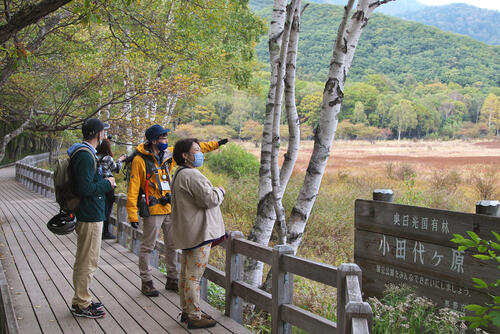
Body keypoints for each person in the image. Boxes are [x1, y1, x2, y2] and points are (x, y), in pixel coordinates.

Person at [126, 124, 228, 297]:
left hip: (168, 207)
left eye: (166, 137)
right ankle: (147, 281)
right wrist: (132, 214)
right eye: (162, 138)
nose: (166, 140)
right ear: (153, 140)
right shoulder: (139, 160)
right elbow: (133, 187)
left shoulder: (168, 155)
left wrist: (216, 144)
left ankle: (172, 278)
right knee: (148, 246)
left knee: (173, 244)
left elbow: (194, 149)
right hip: (152, 208)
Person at [170, 138, 226, 329]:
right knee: (194, 276)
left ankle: (187, 311)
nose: (200, 153)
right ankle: (194, 316)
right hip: (199, 233)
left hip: (188, 232)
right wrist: (220, 192)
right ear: (185, 155)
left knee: (186, 274)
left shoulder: (179, 173)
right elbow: (208, 199)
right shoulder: (192, 175)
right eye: (196, 150)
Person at [68, 118, 115, 318]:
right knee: (88, 261)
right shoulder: (86, 156)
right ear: (98, 134)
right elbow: (85, 188)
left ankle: (82, 298)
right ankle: (82, 304)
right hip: (89, 215)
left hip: (90, 213)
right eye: (103, 131)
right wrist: (107, 183)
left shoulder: (84, 153)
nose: (104, 134)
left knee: (85, 259)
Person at [96, 138, 126, 240]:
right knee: (108, 209)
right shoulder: (107, 158)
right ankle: (105, 232)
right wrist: (120, 160)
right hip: (108, 185)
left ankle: (99, 231)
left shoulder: (96, 156)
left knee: (100, 207)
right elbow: (116, 168)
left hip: (98, 185)